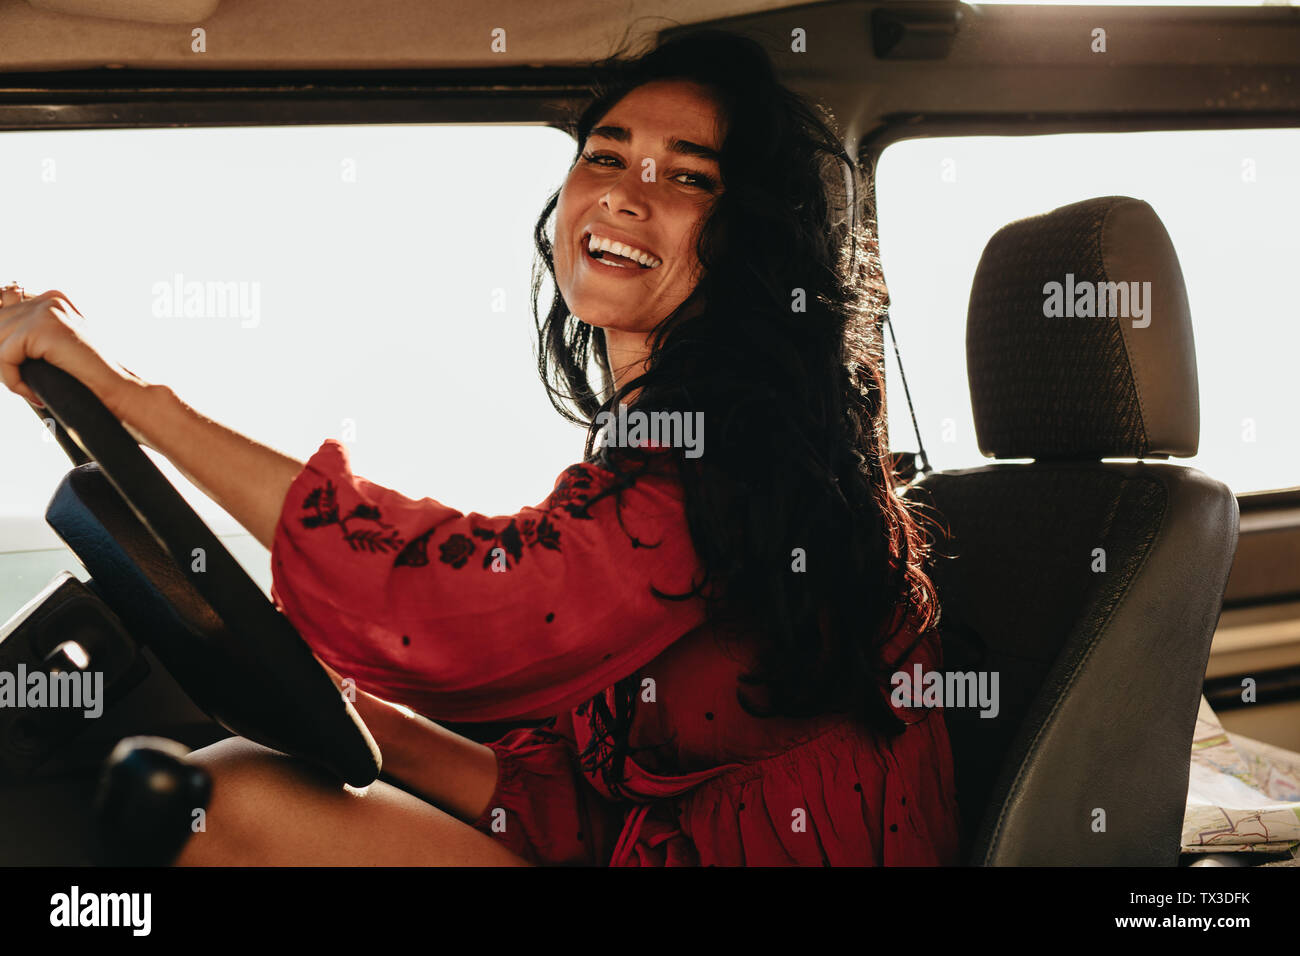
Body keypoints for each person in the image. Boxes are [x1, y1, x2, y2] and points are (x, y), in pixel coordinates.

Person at [0, 30, 961, 866]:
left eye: (691, 176)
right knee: (228, 789)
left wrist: (125, 396)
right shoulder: (648, 452)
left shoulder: (722, 463)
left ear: (748, 240)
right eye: (606, 154)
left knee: (226, 810)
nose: (628, 194)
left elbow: (452, 602)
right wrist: (337, 707)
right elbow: (582, 809)